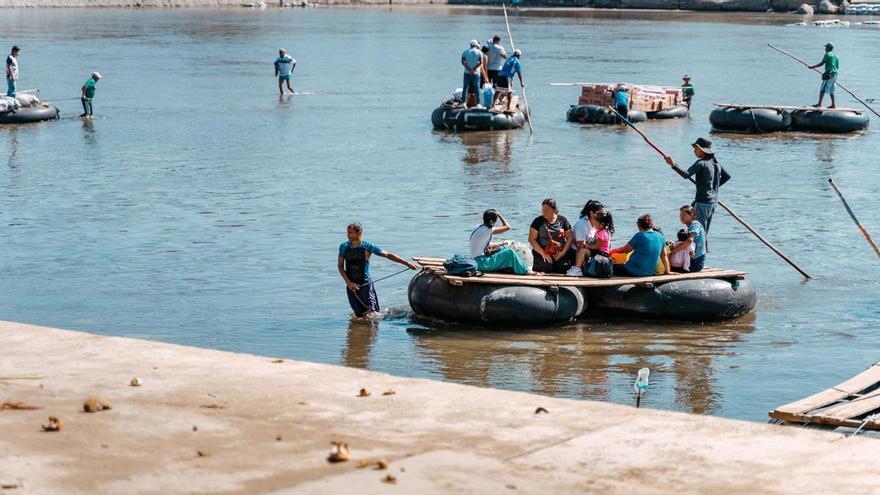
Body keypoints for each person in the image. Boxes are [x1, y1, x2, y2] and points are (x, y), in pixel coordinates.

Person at [337, 223, 417, 317]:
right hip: (351, 286)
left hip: (365, 285)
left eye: (350, 233)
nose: (348, 235)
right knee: (359, 316)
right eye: (347, 233)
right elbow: (340, 266)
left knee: (373, 315)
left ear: (359, 233)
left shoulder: (368, 247)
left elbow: (388, 255)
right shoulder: (343, 246)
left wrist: (407, 263)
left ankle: (373, 331)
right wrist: (349, 284)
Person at [666, 137, 730, 239]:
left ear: (702, 149)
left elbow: (686, 175)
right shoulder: (716, 163)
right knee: (703, 232)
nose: (694, 151)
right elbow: (727, 177)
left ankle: (699, 254)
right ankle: (702, 252)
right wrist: (712, 188)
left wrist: (673, 165)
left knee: (698, 233)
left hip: (703, 202)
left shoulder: (701, 163)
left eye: (696, 148)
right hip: (713, 202)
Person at [469, 209, 531, 275]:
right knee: (510, 252)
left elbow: (482, 244)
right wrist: (499, 215)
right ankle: (526, 271)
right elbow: (508, 227)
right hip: (482, 263)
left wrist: (503, 243)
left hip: (475, 261)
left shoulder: (478, 227)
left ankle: (508, 268)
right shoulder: (489, 230)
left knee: (502, 248)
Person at [528, 198, 573, 274]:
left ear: (554, 210)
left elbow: (570, 237)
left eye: (547, 210)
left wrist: (563, 253)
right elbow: (531, 239)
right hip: (542, 252)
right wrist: (543, 253)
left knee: (563, 268)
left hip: (559, 252)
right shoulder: (538, 221)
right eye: (543, 210)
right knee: (547, 267)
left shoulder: (563, 220)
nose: (544, 212)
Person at [566, 200, 604, 276]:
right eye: (600, 213)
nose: (602, 215)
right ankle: (577, 268)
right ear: (592, 213)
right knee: (582, 250)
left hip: (591, 249)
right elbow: (580, 246)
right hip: (577, 252)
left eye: (603, 213)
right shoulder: (582, 225)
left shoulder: (597, 224)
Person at [668, 205, 707, 273]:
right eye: (680, 214)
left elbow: (689, 240)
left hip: (695, 262)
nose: (681, 217)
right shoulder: (690, 227)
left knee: (668, 267)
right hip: (692, 261)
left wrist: (674, 250)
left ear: (692, 215)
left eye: (684, 214)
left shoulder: (695, 225)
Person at [809, 42, 838, 109]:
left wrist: (813, 67)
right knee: (832, 89)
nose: (825, 49)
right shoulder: (835, 56)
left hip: (829, 74)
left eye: (826, 47)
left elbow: (822, 63)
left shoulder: (827, 54)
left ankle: (819, 104)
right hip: (835, 74)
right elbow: (837, 66)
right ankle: (833, 105)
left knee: (823, 88)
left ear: (829, 48)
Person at [461, 40, 483, 108]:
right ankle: (478, 103)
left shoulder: (465, 52)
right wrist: (473, 69)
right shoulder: (479, 52)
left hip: (467, 72)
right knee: (476, 88)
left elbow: (462, 61)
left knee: (465, 87)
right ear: (476, 45)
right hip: (476, 72)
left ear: (470, 45)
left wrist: (469, 69)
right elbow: (480, 62)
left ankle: (464, 102)